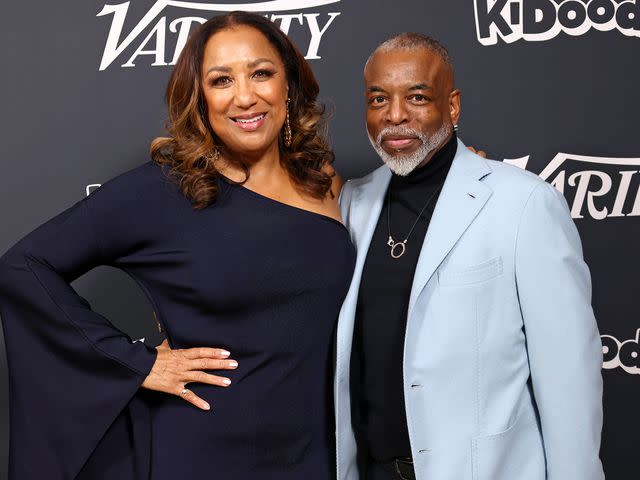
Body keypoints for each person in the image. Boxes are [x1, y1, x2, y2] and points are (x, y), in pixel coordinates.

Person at [0, 11, 355, 480]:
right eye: (221, 80)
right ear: (200, 97)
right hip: (202, 450)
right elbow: (24, 265)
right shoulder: (167, 189)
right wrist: (136, 362)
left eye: (261, 73)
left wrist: (456, 175)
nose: (245, 96)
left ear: (288, 83)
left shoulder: (324, 182)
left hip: (315, 452)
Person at [334, 33, 605, 480]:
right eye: (378, 98)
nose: (395, 115)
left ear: (452, 106)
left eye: (416, 97)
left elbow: (569, 381)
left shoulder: (523, 204)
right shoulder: (353, 203)